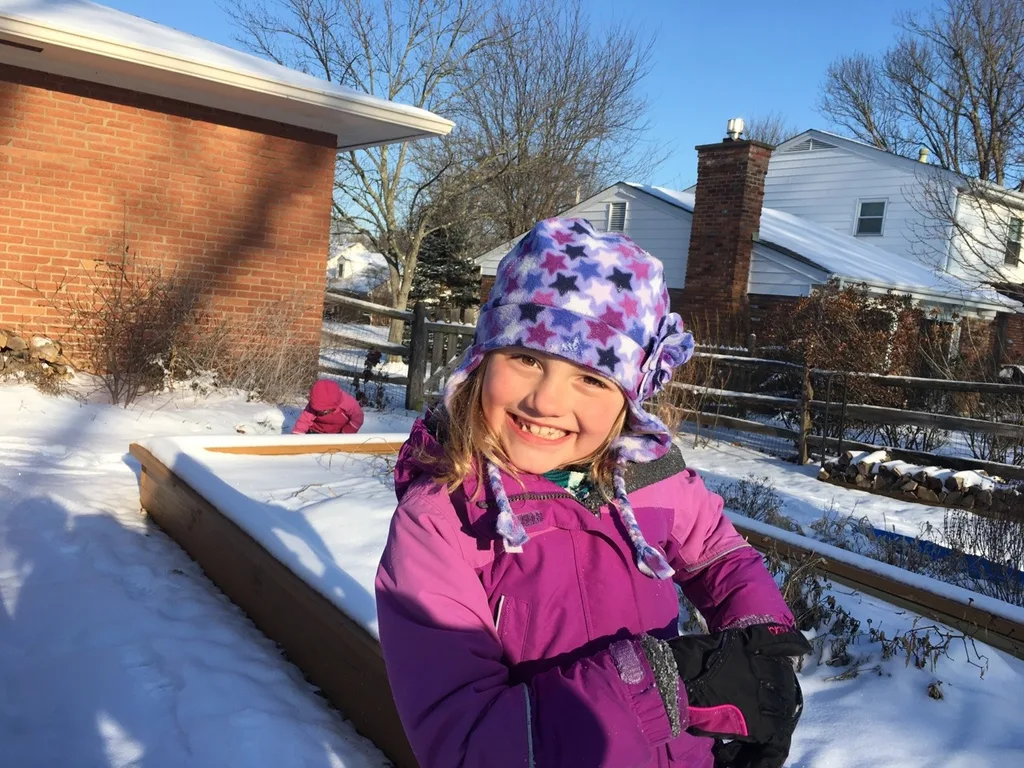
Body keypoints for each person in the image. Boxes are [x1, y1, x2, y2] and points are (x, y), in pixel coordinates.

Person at [375, 218, 811, 768]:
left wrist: (759, 643)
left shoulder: (650, 477)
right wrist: (665, 686)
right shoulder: (445, 519)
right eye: (527, 358)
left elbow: (720, 554)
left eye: (592, 378)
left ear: (631, 397)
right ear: (482, 359)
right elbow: (463, 740)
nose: (546, 402)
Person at [291, 379, 364, 435]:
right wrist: (297, 437)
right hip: (315, 431)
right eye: (320, 410)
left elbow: (358, 417)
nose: (323, 412)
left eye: (326, 410)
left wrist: (346, 433)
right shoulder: (313, 405)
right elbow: (304, 420)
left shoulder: (348, 403)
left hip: (337, 434)